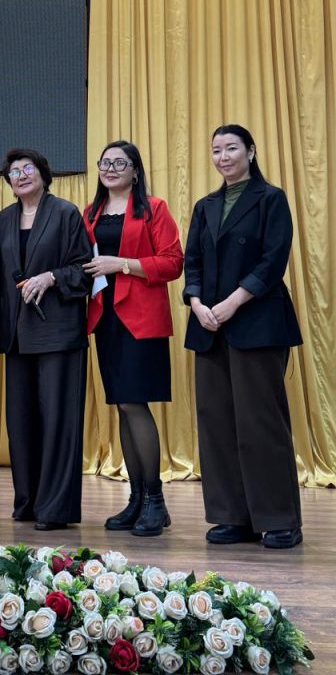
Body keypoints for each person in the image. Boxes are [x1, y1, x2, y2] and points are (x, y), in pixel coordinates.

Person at [184, 124, 303, 549]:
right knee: (217, 423)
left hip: (257, 323)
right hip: (209, 326)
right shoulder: (205, 205)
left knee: (260, 423)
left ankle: (280, 519)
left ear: (250, 152)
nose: (223, 157)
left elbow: (273, 261)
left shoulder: (271, 198)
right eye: (216, 150)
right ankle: (233, 517)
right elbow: (192, 262)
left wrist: (233, 303)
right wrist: (196, 303)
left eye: (231, 148)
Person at [0, 149, 92, 532]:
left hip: (58, 333)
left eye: (28, 168)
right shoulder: (2, 219)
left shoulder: (65, 213)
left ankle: (55, 509)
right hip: (17, 334)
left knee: (59, 422)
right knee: (21, 422)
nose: (21, 175)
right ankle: (27, 501)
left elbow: (85, 270)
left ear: (44, 174)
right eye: (14, 171)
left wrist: (52, 277)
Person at [82, 141, 184, 537]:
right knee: (123, 407)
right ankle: (137, 498)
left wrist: (121, 264)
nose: (110, 168)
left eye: (119, 163)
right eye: (105, 162)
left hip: (140, 318)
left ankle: (156, 500)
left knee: (134, 404)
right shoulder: (90, 213)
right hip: (104, 317)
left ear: (135, 171)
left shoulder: (154, 208)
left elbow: (173, 263)